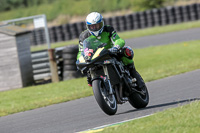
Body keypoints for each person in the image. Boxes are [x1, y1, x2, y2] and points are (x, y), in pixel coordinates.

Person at [77, 12, 145, 89]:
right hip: (95, 57)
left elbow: (118, 40)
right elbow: (81, 51)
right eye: (92, 26)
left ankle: (136, 76)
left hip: (110, 53)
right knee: (88, 70)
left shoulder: (108, 29)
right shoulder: (84, 36)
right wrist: (80, 60)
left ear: (102, 23)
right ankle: (95, 82)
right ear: (88, 26)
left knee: (126, 51)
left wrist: (116, 47)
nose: (95, 28)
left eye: (97, 25)